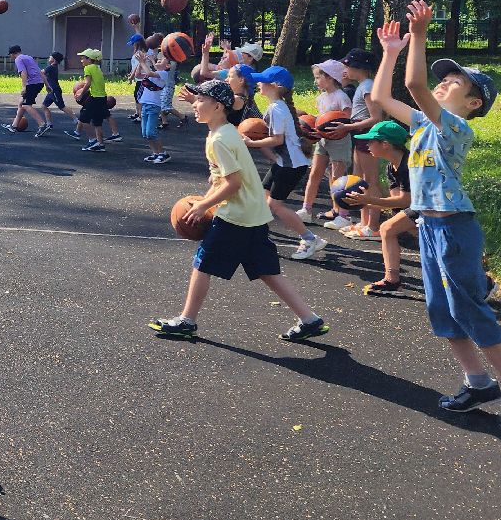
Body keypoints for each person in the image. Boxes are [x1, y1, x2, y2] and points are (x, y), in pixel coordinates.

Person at [372, 3, 501, 432]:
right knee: (443, 310)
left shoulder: (455, 127)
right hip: (430, 226)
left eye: (454, 83)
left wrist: (418, 34)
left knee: (469, 311)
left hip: (454, 229)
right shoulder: (423, 125)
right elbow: (381, 98)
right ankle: (479, 384)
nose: (443, 83)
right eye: (445, 79)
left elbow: (415, 84)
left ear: (473, 103)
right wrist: (391, 51)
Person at [149, 78, 331, 342]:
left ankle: (187, 321)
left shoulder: (220, 139)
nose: (196, 106)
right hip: (253, 214)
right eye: (196, 101)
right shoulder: (226, 131)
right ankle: (310, 319)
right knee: (267, 271)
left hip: (235, 217)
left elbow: (233, 183)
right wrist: (212, 187)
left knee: (202, 264)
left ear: (219, 107)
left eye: (201, 102)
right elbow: (225, 176)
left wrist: (203, 205)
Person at [238, 66, 328, 261]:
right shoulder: (278, 106)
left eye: (263, 81)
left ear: (276, 86)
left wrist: (252, 142)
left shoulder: (277, 108)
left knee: (276, 206)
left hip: (291, 166)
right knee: (263, 196)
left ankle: (310, 239)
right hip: (285, 162)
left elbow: (277, 139)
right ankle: (256, 235)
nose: (259, 83)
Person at [337, 120, 414, 295]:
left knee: (388, 228)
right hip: (418, 208)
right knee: (391, 229)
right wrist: (364, 202)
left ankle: (392, 280)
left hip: (434, 208)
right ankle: (392, 281)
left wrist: (367, 200)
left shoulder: (409, 165)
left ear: (385, 144)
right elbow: (397, 201)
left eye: (371, 141)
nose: (367, 144)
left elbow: (405, 201)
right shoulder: (391, 167)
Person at [295, 59, 353, 228]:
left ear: (330, 77)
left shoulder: (342, 97)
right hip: (323, 140)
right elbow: (322, 120)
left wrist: (336, 129)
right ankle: (306, 209)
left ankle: (343, 215)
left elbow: (346, 120)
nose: (315, 81)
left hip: (339, 141)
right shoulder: (321, 98)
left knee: (337, 177)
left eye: (318, 77)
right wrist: (314, 128)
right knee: (314, 174)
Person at [338, 47, 384, 241]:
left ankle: (373, 226)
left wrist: (349, 127)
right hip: (359, 135)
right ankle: (364, 223)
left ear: (360, 67)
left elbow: (376, 117)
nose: (345, 68)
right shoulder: (362, 85)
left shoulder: (367, 86)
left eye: (348, 64)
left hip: (368, 135)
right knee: (359, 179)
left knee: (371, 181)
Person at [136, 52, 172, 164]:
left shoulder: (164, 74)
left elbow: (149, 72)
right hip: (145, 105)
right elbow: (138, 75)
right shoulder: (155, 73)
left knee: (151, 132)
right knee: (145, 134)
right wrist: (140, 62)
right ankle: (155, 153)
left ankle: (163, 154)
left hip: (153, 106)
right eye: (158, 60)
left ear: (168, 66)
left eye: (161, 60)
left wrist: (143, 62)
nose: (158, 60)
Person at [74, 48, 112, 153]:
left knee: (83, 119)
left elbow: (88, 83)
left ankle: (93, 140)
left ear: (89, 59)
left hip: (95, 97)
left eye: (83, 58)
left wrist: (81, 94)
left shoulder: (88, 68)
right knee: (97, 122)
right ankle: (100, 144)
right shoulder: (97, 67)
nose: (81, 60)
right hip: (102, 97)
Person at [5, 45, 48, 135]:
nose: (11, 57)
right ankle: (14, 126)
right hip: (39, 82)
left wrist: (24, 87)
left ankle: (42, 124)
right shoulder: (28, 57)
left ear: (13, 54)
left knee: (26, 105)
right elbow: (39, 71)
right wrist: (47, 85)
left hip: (32, 83)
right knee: (22, 102)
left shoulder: (18, 59)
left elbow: (23, 73)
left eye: (10, 55)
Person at [40, 51, 68, 133]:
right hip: (51, 91)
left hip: (54, 90)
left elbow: (42, 73)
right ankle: (49, 124)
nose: (49, 57)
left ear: (54, 59)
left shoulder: (51, 67)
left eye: (51, 56)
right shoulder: (53, 67)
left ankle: (76, 120)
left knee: (62, 107)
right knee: (44, 106)